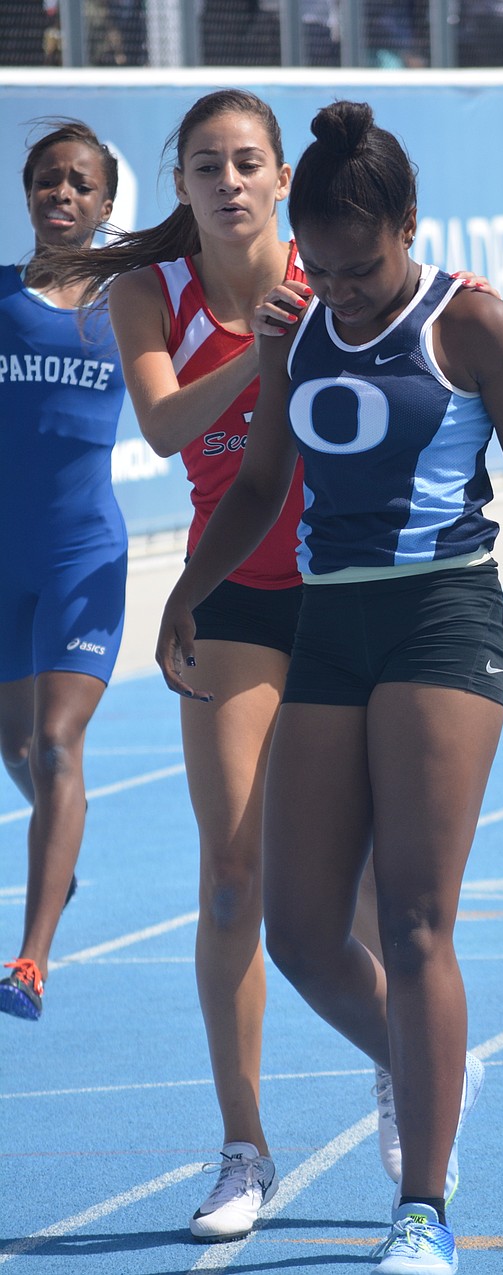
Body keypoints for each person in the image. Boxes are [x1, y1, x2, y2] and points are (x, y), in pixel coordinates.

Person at [154, 99, 503, 1274]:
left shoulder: (476, 327)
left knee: (411, 913)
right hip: (330, 618)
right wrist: (189, 589)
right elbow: (256, 486)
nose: (338, 290)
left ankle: (422, 1209)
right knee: (296, 929)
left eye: (360, 267)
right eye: (324, 270)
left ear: (409, 226)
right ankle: (427, 1056)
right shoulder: (295, 327)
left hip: (445, 617)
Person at [56, 88, 487, 1243]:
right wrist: (265, 355)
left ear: (279, 176)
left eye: (249, 161)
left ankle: (413, 1067)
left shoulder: (329, 258)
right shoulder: (155, 291)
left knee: (361, 893)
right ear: (183, 184)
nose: (232, 180)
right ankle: (244, 1145)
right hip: (236, 587)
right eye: (208, 165)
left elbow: (417, 313)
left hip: (354, 587)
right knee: (233, 875)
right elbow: (163, 428)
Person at [0, 122, 126, 1021]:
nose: (63, 195)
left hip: (84, 555)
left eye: (81, 184)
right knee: (14, 748)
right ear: (27, 192)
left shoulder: (136, 303)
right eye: (49, 181)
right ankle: (61, 854)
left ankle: (30, 962)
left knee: (55, 743)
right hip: (5, 562)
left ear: (107, 204)